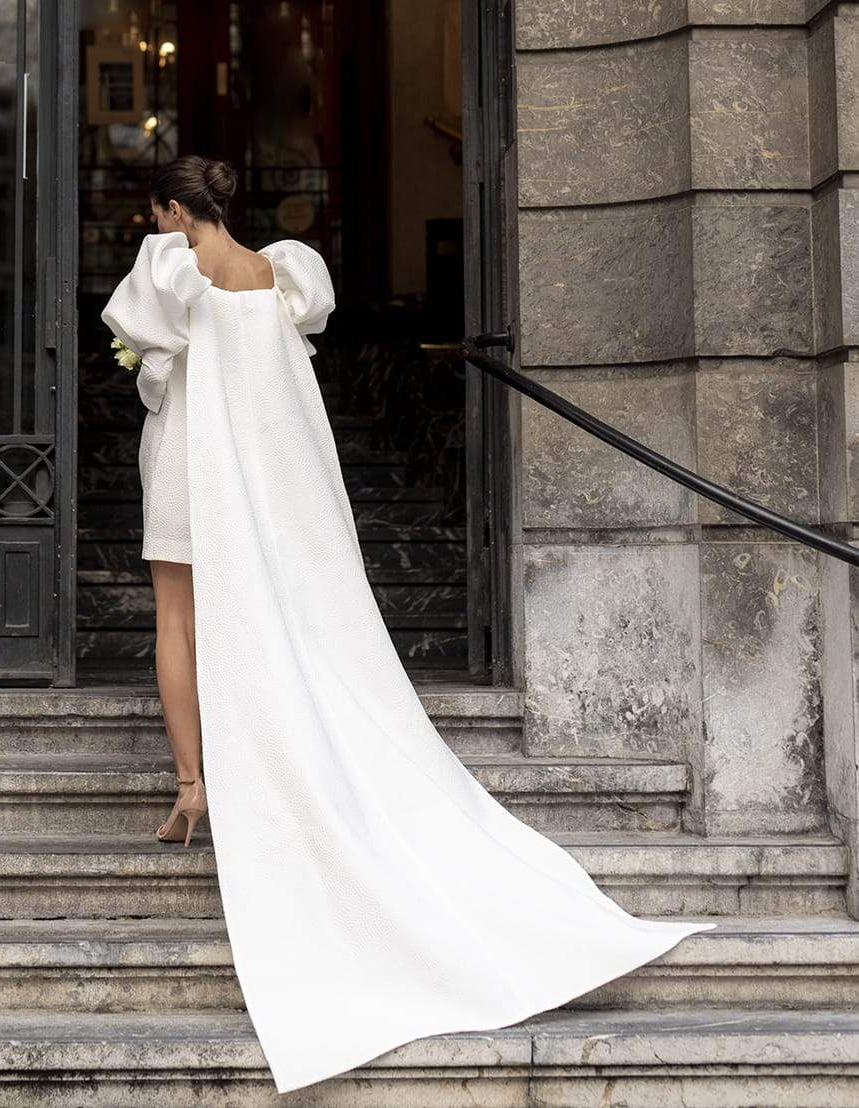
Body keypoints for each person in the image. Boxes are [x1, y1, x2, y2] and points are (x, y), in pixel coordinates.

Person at [100, 153, 712, 1097]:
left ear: (177, 212)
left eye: (160, 213)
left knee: (174, 619)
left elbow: (145, 339)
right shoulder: (284, 275)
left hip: (188, 462)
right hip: (264, 486)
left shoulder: (170, 268)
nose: (160, 225)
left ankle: (193, 784)